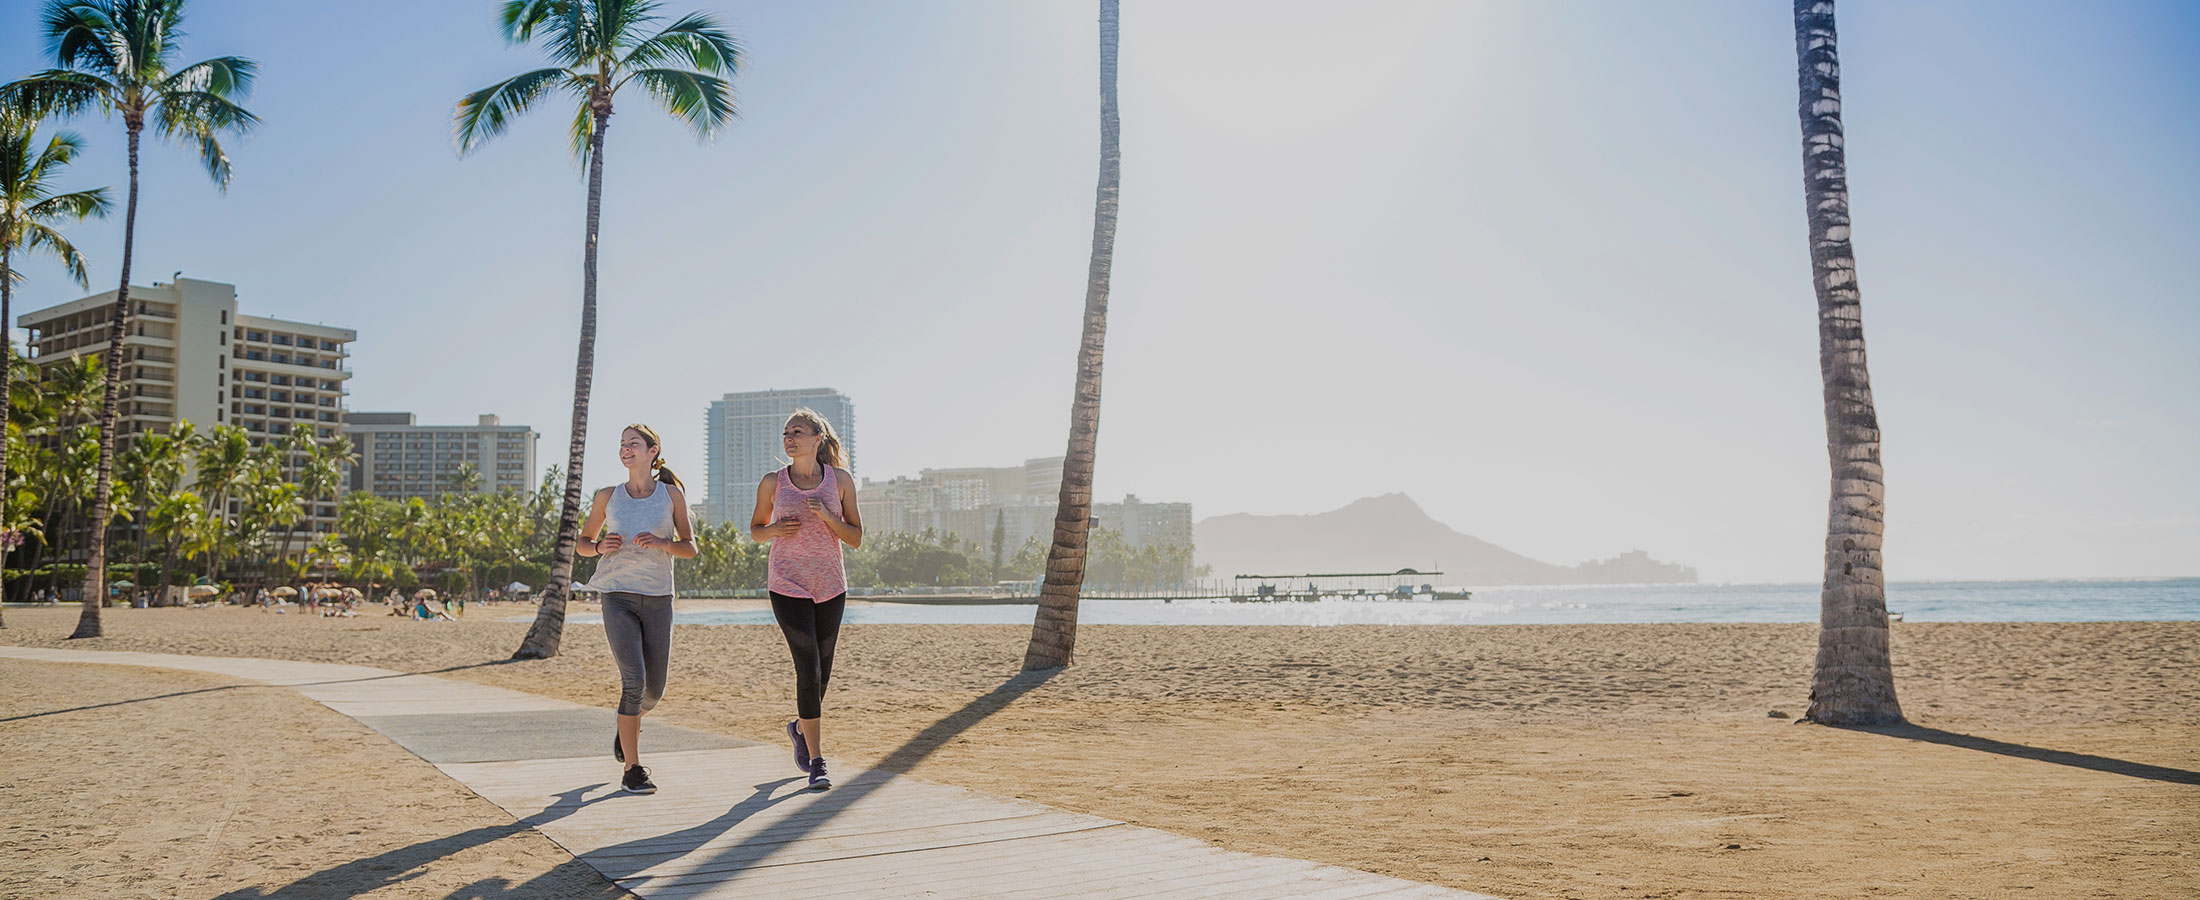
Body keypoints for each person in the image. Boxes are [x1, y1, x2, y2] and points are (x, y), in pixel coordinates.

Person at [578, 424, 697, 796]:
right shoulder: (607, 496)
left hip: (659, 596)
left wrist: (663, 542)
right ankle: (633, 768)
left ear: (652, 450)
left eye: (633, 444)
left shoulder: (671, 496)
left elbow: (690, 547)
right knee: (633, 680)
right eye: (622, 445)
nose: (626, 449)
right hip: (617, 595)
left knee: (654, 690)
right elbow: (582, 543)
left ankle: (625, 726)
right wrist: (599, 547)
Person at [751, 408, 862, 791]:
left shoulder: (840, 481)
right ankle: (817, 761)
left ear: (818, 438)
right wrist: (776, 528)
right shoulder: (773, 483)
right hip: (787, 584)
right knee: (809, 668)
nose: (789, 437)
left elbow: (855, 537)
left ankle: (799, 727)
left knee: (823, 674)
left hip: (830, 585)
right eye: (786, 433)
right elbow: (756, 531)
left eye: (797, 431)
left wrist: (829, 517)